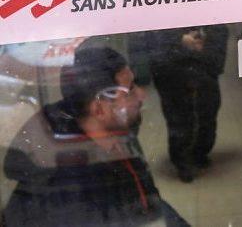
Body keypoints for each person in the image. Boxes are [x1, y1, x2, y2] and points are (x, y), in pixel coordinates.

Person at [2, 46, 189, 227]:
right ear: (99, 109)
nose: (142, 95)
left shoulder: (115, 136)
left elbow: (144, 202)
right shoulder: (73, 198)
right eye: (130, 89)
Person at [146, 25, 228, 182]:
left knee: (208, 112)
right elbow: (156, 47)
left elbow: (217, 59)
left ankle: (199, 153)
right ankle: (182, 161)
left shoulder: (215, 25)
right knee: (179, 117)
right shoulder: (162, 22)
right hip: (172, 72)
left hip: (203, 69)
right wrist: (180, 41)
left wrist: (199, 48)